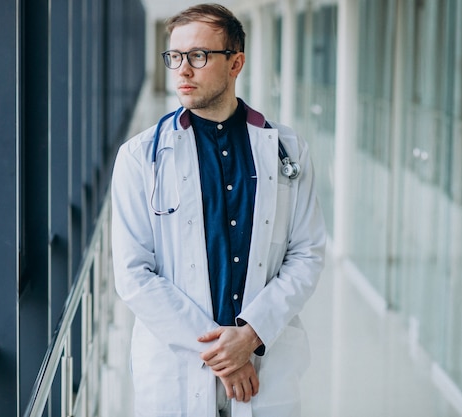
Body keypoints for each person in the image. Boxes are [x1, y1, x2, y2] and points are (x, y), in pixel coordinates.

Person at [111, 3, 326, 417]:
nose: (182, 71)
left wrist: (252, 335)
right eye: (174, 57)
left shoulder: (287, 150)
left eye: (198, 56)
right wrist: (226, 353)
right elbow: (133, 274)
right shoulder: (140, 158)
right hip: (177, 372)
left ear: (236, 63)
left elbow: (307, 254)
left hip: (267, 368)